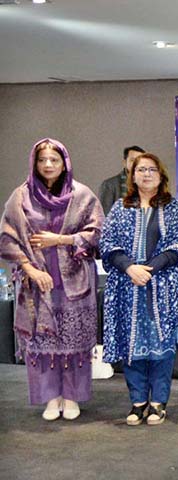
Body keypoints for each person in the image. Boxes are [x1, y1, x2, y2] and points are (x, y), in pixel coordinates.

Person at [0, 138, 103, 421]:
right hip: (36, 284)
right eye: (42, 160)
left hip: (75, 281)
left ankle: (71, 397)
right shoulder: (20, 196)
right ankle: (50, 398)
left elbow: (97, 233)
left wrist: (62, 239)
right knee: (43, 342)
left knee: (73, 341)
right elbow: (8, 239)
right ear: (34, 163)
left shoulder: (82, 195)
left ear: (64, 163)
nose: (48, 165)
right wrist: (31, 270)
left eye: (54, 160)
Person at [100, 153, 178, 426]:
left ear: (161, 176)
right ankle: (138, 402)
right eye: (141, 170)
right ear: (132, 175)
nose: (146, 174)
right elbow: (107, 244)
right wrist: (129, 267)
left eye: (152, 169)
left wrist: (149, 269)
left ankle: (158, 403)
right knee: (131, 345)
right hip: (127, 287)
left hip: (162, 288)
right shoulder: (119, 208)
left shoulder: (173, 208)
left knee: (162, 347)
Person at [99, 145, 145, 214]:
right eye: (132, 160)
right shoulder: (109, 185)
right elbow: (104, 216)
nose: (136, 164)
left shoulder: (148, 185)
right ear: (124, 163)